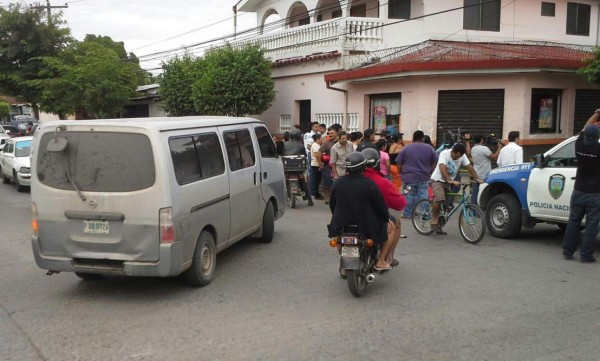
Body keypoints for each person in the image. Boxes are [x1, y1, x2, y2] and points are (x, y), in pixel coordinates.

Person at [328, 152, 394, 271]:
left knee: (337, 239)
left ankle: (344, 263)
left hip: (341, 224)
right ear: (363, 168)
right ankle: (381, 261)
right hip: (367, 225)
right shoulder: (369, 184)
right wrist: (386, 218)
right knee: (391, 228)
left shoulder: (337, 184)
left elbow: (333, 205)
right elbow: (380, 206)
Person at [562, 110, 600, 263]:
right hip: (595, 193)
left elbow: (585, 127)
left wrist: (596, 113)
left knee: (573, 222)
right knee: (592, 225)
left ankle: (567, 251)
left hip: (578, 191)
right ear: (597, 137)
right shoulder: (598, 149)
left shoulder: (579, 145)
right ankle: (586, 255)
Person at [362, 148, 407, 267]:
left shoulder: (341, 182)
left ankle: (344, 265)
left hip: (344, 220)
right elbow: (399, 204)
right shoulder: (380, 182)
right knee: (393, 224)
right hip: (372, 219)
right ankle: (386, 258)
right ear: (377, 163)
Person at [430, 143, 482, 235]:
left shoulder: (462, 156)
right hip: (437, 179)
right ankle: (434, 220)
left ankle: (439, 223)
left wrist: (476, 178)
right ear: (453, 151)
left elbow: (469, 167)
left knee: (447, 204)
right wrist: (449, 180)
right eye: (456, 156)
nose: (458, 158)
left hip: (448, 182)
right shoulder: (444, 153)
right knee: (440, 198)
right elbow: (442, 167)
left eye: (460, 156)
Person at [396, 130, 437, 218]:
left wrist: (400, 173)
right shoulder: (429, 148)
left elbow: (399, 163)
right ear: (422, 138)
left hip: (408, 178)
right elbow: (434, 162)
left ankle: (407, 213)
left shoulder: (406, 148)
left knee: (408, 195)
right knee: (423, 195)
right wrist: (430, 172)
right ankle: (425, 214)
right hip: (424, 178)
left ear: (413, 138)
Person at [467, 134, 502, 204]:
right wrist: (499, 148)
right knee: (486, 190)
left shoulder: (473, 148)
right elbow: (494, 157)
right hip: (484, 174)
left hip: (476, 173)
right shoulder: (484, 148)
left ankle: (473, 209)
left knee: (475, 192)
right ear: (481, 140)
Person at [283, 129, 313, 206]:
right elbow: (305, 156)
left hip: (286, 168)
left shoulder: (284, 144)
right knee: (303, 182)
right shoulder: (301, 146)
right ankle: (309, 199)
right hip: (298, 169)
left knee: (282, 182)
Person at [316, 126, 339, 204]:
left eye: (332, 133)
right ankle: (327, 198)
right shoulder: (327, 143)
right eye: (329, 133)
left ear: (337, 133)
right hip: (328, 166)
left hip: (339, 166)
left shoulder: (341, 142)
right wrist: (320, 164)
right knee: (326, 183)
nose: (330, 134)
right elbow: (318, 153)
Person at [310, 133, 324, 200]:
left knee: (317, 179)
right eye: (321, 138)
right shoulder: (315, 145)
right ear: (318, 139)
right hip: (316, 164)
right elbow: (317, 155)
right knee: (316, 180)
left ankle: (316, 193)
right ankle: (315, 193)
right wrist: (320, 163)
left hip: (316, 164)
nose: (322, 139)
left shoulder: (317, 145)